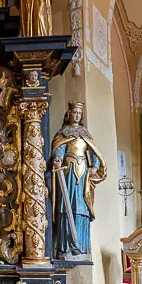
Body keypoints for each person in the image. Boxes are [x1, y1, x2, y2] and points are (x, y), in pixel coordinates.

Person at [52, 101, 106, 257]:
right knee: (67, 205)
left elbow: (94, 153)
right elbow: (59, 149)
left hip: (83, 174)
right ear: (69, 114)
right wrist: (57, 159)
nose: (77, 116)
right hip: (68, 171)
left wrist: (95, 166)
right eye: (74, 112)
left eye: (79, 113)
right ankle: (65, 245)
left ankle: (80, 244)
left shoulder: (85, 134)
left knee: (81, 208)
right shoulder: (63, 133)